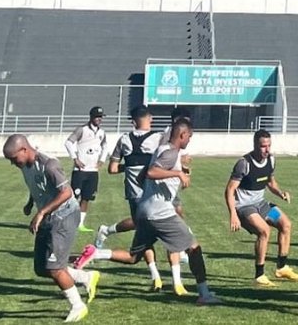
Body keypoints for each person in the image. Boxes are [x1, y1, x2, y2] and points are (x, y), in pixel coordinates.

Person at [74, 118, 221, 307]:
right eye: (189, 137)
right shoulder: (171, 152)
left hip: (145, 211)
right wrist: (178, 174)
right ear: (182, 135)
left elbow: (143, 176)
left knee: (133, 257)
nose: (189, 140)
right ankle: (204, 294)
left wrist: (171, 177)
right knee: (194, 248)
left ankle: (96, 253)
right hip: (161, 213)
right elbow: (151, 173)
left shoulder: (161, 150)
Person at [4, 134, 100, 322]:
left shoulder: (49, 164)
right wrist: (30, 203)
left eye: (14, 158)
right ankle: (85, 277)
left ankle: (78, 306)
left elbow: (66, 192)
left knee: (55, 268)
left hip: (64, 216)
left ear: (24, 149)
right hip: (48, 216)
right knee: (41, 268)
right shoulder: (25, 165)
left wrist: (41, 212)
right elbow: (37, 185)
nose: (13, 163)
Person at [94, 105, 168, 290]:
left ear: (133, 122)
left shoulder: (124, 139)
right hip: (153, 195)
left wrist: (129, 167)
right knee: (159, 230)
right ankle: (175, 261)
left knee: (144, 234)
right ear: (150, 118)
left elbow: (112, 169)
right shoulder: (159, 138)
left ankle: (156, 276)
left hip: (134, 195)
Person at [225, 129, 298, 287]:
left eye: (269, 146)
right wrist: (233, 214)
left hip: (261, 205)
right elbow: (230, 190)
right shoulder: (244, 163)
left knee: (286, 224)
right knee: (264, 231)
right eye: (263, 146)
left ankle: (281, 268)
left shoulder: (271, 160)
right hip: (245, 207)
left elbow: (270, 182)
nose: (267, 150)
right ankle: (259, 275)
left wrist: (280, 193)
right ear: (255, 145)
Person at [65, 106, 108, 232]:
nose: (99, 119)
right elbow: (68, 143)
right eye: (97, 117)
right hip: (80, 171)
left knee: (86, 198)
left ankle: (80, 224)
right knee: (73, 197)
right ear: (91, 117)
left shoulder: (102, 133)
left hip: (93, 171)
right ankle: (66, 222)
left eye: (101, 117)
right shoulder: (82, 130)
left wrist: (102, 160)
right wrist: (75, 159)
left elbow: (105, 146)